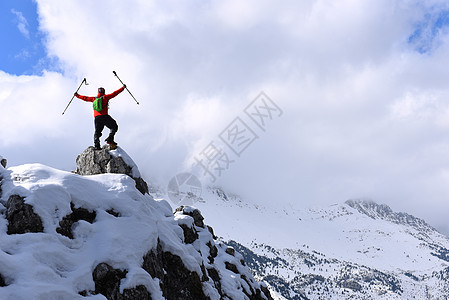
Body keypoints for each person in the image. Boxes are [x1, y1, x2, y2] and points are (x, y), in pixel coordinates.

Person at [75, 85, 126, 150]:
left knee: (97, 132)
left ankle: (97, 145)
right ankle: (110, 139)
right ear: (104, 92)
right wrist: (122, 88)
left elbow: (85, 98)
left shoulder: (94, 99)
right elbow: (114, 93)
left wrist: (77, 95)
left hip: (96, 118)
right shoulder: (105, 97)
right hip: (104, 116)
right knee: (114, 126)